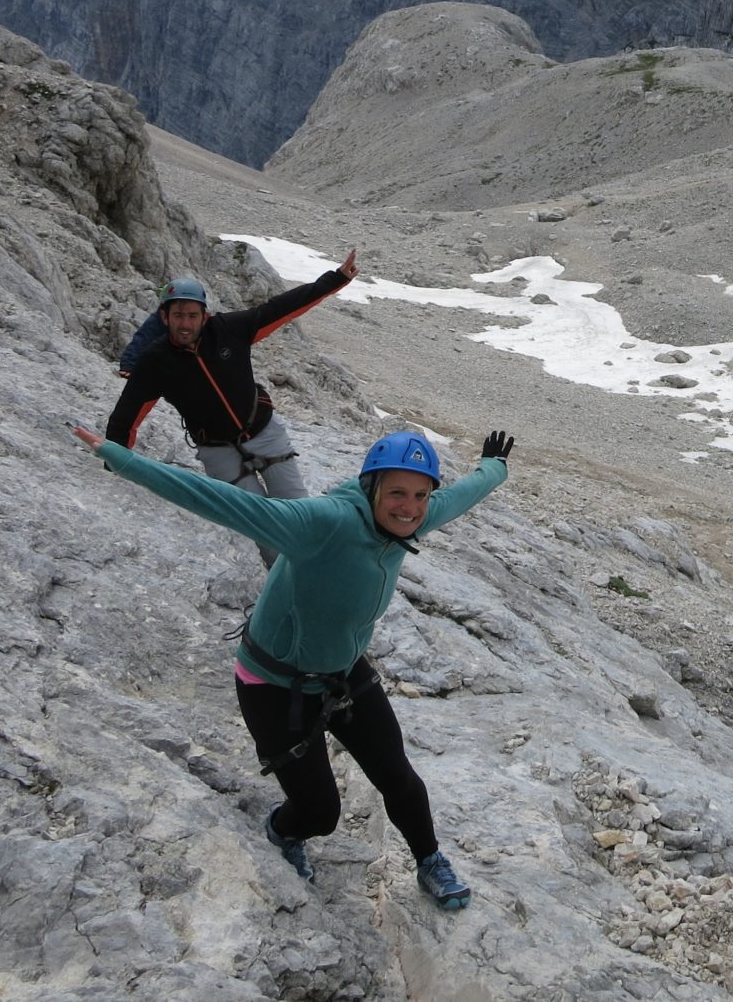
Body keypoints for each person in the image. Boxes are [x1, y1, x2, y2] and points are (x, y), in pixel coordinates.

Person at [71, 420, 516, 909]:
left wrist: (493, 467)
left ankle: (429, 859)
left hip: (342, 674)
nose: (409, 508)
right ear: (371, 488)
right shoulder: (323, 522)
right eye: (397, 493)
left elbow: (460, 496)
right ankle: (283, 832)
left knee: (399, 778)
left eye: (419, 495)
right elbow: (229, 503)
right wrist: (125, 459)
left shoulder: (411, 518)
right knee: (320, 813)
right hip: (273, 684)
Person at [106, 252, 357, 568]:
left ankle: (312, 573)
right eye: (179, 315)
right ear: (164, 317)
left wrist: (335, 279)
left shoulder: (229, 330)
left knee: (297, 513)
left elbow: (279, 308)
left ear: (204, 316)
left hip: (263, 432)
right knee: (260, 523)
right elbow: (128, 413)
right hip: (217, 449)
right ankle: (283, 583)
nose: (185, 324)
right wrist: (113, 459)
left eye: (192, 315)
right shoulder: (155, 362)